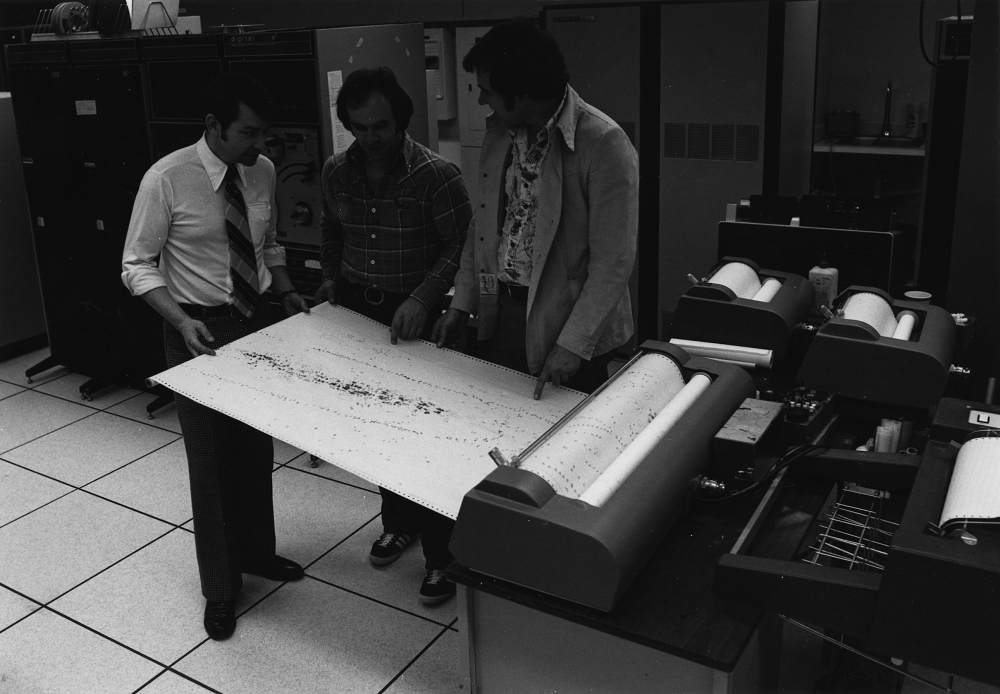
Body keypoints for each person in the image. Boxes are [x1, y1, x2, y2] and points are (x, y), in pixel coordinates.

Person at [121, 72, 311, 641]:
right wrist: (181, 321)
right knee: (209, 465)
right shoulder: (167, 178)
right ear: (214, 127)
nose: (259, 145)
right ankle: (221, 589)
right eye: (248, 133)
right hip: (195, 329)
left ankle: (257, 554)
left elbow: (267, 243)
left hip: (256, 324)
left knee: (254, 449)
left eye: (263, 134)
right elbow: (136, 264)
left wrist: (286, 289)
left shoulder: (263, 171)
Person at [316, 67, 472, 604]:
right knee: (379, 427)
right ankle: (397, 523)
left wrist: (422, 298)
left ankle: (442, 556)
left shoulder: (436, 175)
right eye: (358, 127)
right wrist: (331, 281)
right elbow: (331, 229)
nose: (370, 138)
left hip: (417, 315)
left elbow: (460, 247)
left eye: (380, 126)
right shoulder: (337, 171)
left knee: (424, 439)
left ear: (401, 120)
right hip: (359, 309)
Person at [433, 20, 638, 400]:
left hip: (570, 325)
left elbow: (614, 264)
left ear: (522, 93)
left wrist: (573, 345)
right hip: (503, 314)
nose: (481, 101)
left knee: (559, 444)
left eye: (488, 91)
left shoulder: (604, 144)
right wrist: (462, 304)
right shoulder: (500, 134)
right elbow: (482, 227)